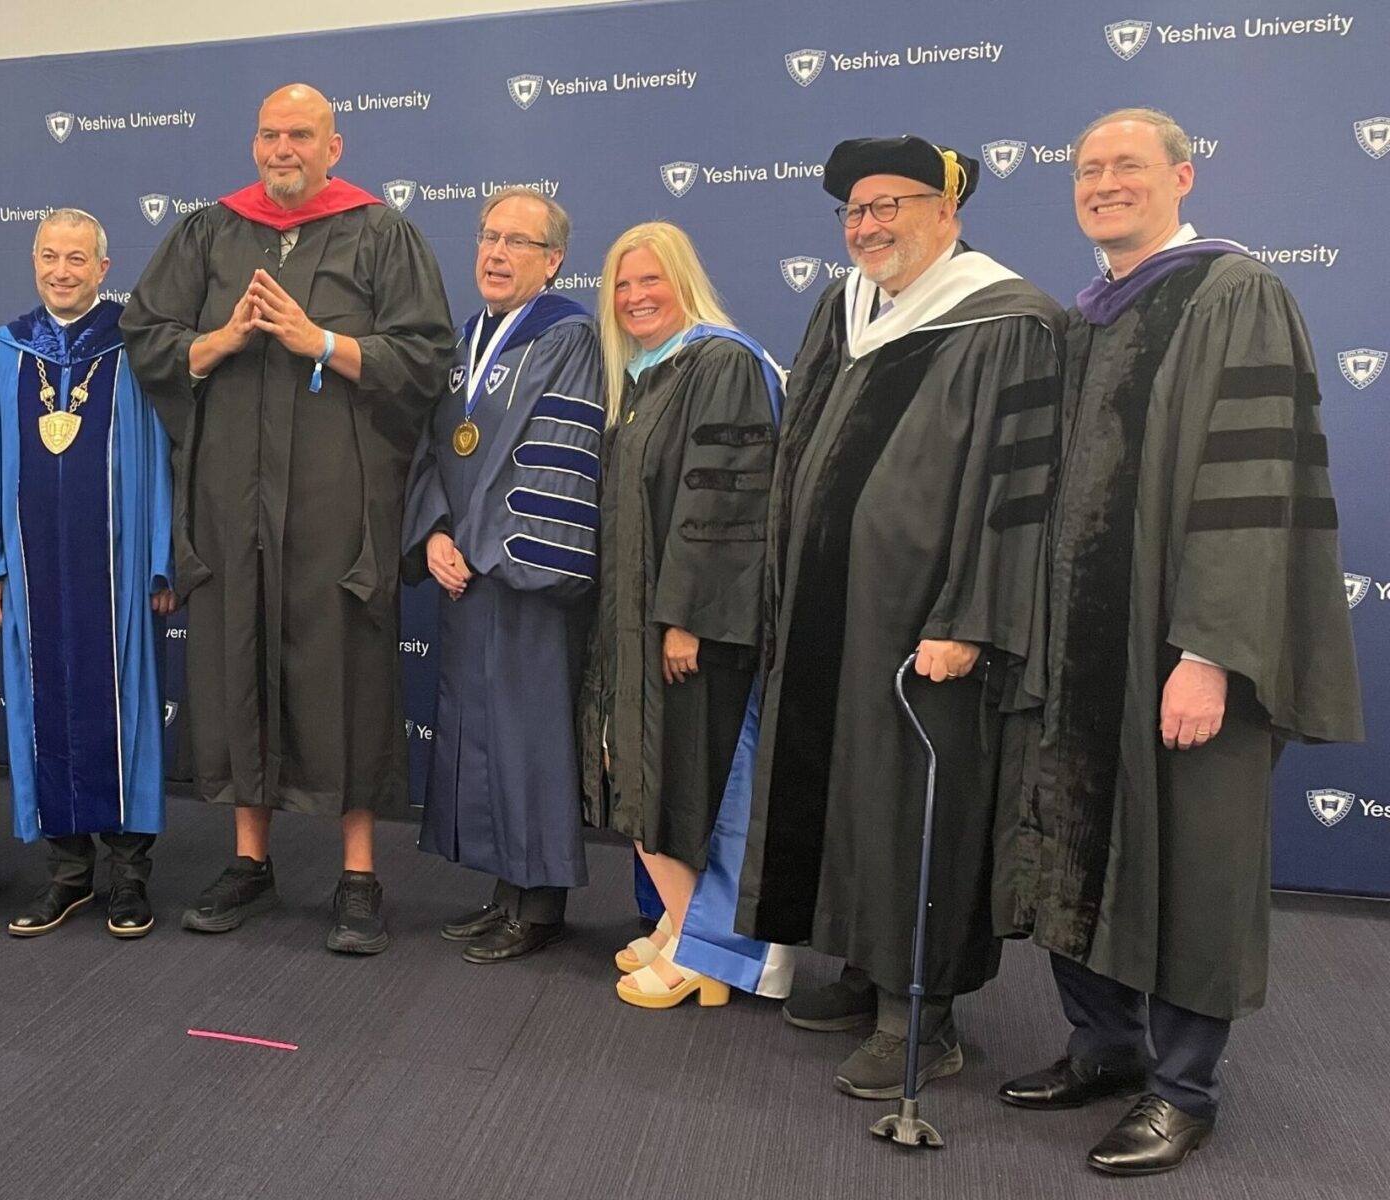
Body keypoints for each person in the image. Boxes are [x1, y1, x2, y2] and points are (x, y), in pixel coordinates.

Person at [991, 108, 1363, 1176]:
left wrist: (1208, 650)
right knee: (1072, 838)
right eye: (1088, 168)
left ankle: (1185, 1087)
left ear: (1182, 177)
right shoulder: (1086, 318)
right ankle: (1104, 1044)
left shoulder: (1233, 294)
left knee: (1192, 862)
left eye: (1127, 166)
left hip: (1182, 652)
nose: (1104, 182)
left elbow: (1253, 488)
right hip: (1079, 654)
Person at [735, 137, 1064, 1097]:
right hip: (834, 614)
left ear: (948, 211)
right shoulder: (845, 311)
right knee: (844, 794)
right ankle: (860, 963)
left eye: (892, 205)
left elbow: (1021, 497)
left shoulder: (1008, 321)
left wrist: (970, 617)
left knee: (917, 809)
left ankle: (922, 1011)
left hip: (929, 628)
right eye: (855, 210)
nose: (869, 225)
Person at [122, 84, 453, 954]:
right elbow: (147, 341)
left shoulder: (382, 234)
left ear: (333, 147)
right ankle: (249, 861)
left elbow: (425, 359)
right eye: (269, 134)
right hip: (233, 504)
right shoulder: (207, 234)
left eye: (301, 135)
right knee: (238, 667)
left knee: (342, 674)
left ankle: (357, 875)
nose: (283, 149)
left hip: (335, 508)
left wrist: (323, 344)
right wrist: (222, 339)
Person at [0, 209, 174, 940]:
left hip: (121, 572)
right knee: (42, 707)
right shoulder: (4, 354)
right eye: (49, 256)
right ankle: (68, 872)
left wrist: (162, 558)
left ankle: (129, 873)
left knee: (125, 709)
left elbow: (169, 462)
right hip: (33, 578)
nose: (62, 271)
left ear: (104, 269)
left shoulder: (136, 351)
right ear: (33, 262)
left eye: (78, 258)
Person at [579, 221, 793, 1010]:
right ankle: (681, 926)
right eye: (622, 287)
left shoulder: (722, 363)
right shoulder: (644, 378)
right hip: (640, 623)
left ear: (684, 282)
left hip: (690, 632)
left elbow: (728, 499)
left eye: (650, 282)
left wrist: (689, 619)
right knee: (646, 777)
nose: (635, 298)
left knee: (683, 784)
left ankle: (717, 954)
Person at [400, 187, 601, 963]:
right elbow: (431, 454)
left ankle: (541, 899)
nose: (495, 253)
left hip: (525, 574)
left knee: (529, 732)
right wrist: (437, 537)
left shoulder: (569, 338)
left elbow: (557, 458)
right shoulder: (464, 342)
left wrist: (482, 548)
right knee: (483, 730)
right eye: (489, 237)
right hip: (469, 572)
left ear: (552, 261)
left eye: (518, 242)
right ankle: (505, 887)